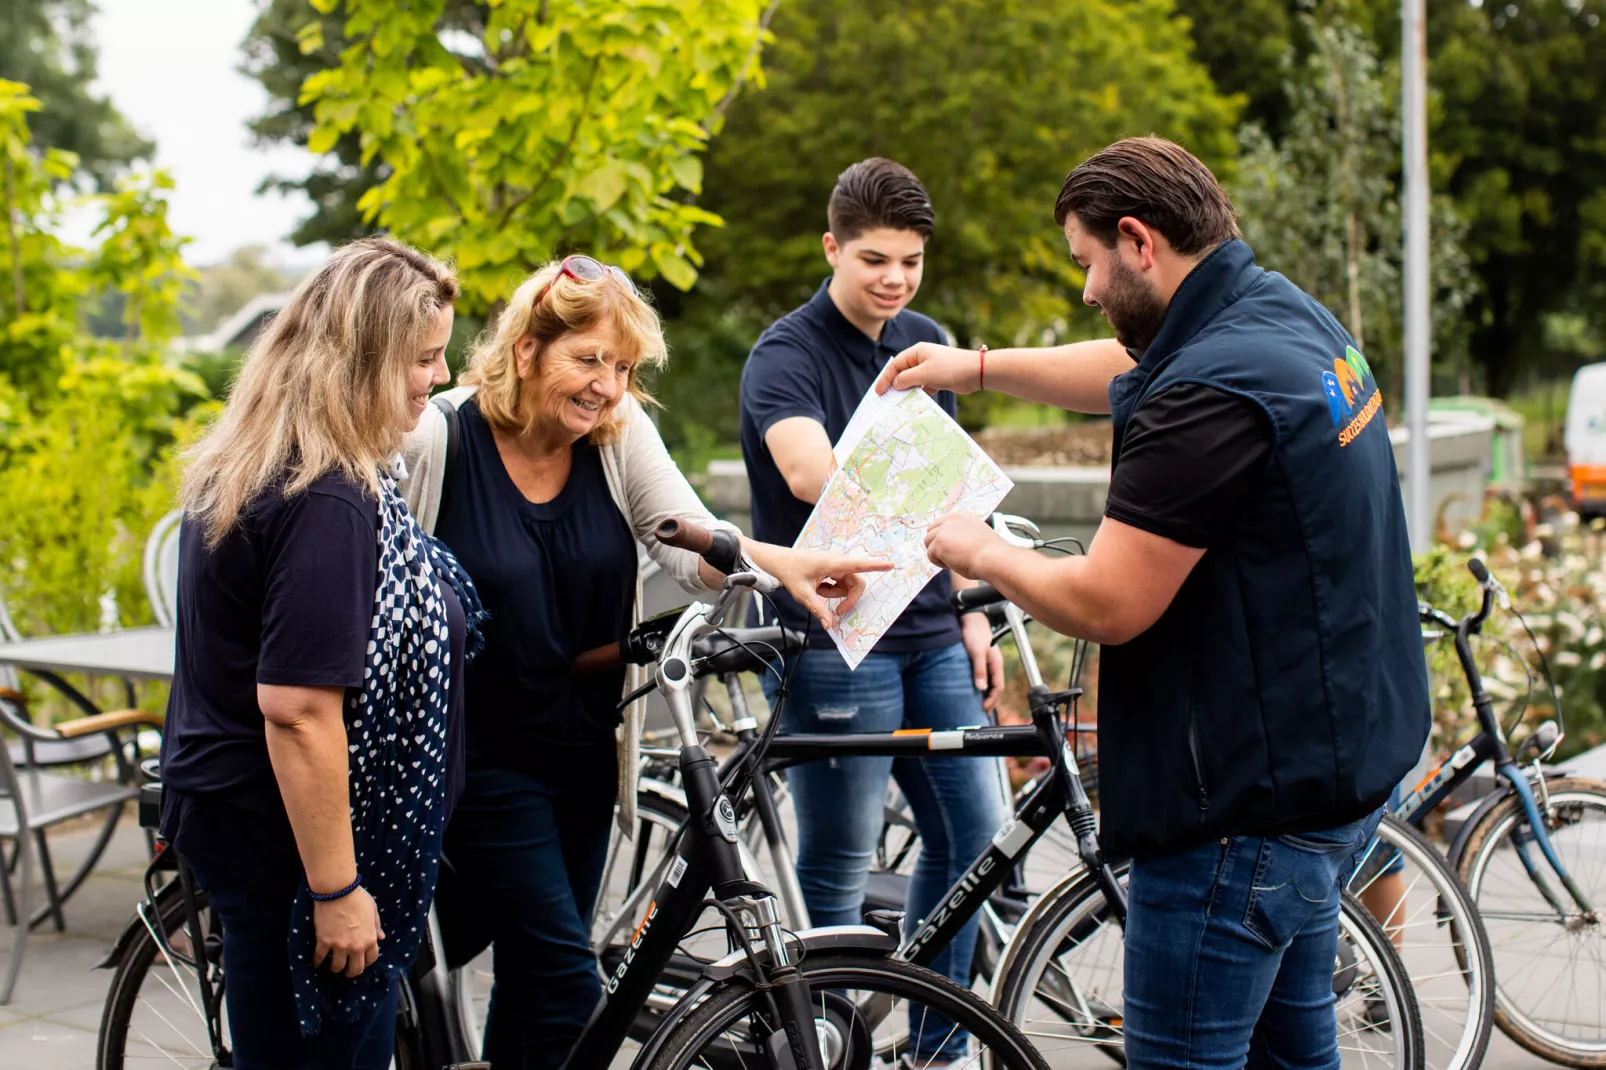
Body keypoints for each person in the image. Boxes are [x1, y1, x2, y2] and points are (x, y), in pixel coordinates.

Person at [879, 137, 1431, 1068]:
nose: (1087, 289)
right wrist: (972, 368)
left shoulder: (1209, 390)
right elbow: (1129, 366)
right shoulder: (1280, 317)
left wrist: (974, 546)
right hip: (1331, 782)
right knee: (1297, 1058)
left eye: (1088, 263)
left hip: (1237, 821)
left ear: (1138, 241)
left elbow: (1107, 599)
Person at [398, 254, 888, 1070]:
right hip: (474, 761)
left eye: (622, 367)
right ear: (526, 351)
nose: (607, 386)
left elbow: (688, 542)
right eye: (587, 359)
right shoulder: (438, 439)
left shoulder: (617, 436)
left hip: (584, 755)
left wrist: (780, 566)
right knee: (565, 983)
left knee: (532, 990)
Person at [159, 237, 480, 1069]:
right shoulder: (326, 495)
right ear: (365, 360)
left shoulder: (268, 460)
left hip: (242, 819)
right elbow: (298, 710)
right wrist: (336, 891)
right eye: (423, 358)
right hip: (287, 848)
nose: (438, 378)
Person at [737, 157, 1008, 1065]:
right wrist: (924, 474)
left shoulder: (923, 339)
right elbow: (811, 476)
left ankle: (936, 1047)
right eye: (874, 260)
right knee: (841, 865)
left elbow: (959, 496)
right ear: (832, 248)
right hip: (834, 642)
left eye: (910, 262)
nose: (895, 280)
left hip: (932, 631)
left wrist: (974, 606)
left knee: (973, 838)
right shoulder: (787, 353)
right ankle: (831, 1047)